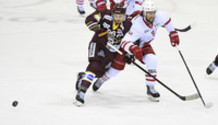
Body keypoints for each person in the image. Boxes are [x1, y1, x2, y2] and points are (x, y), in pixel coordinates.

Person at [92, 0, 180, 102]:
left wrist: (172, 33)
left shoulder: (158, 16)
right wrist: (133, 48)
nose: (152, 15)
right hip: (129, 46)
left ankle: (150, 88)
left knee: (152, 60)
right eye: (149, 13)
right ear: (144, 13)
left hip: (143, 44)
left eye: (153, 12)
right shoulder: (136, 25)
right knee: (115, 71)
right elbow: (125, 42)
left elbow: (167, 20)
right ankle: (102, 79)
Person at [74, 4, 132, 105]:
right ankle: (82, 92)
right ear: (113, 14)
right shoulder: (104, 14)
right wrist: (98, 29)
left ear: (124, 15)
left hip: (111, 50)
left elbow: (131, 40)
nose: (118, 18)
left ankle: (83, 76)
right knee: (94, 66)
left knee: (100, 73)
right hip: (98, 44)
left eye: (121, 16)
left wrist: (128, 53)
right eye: (116, 16)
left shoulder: (128, 25)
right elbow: (90, 19)